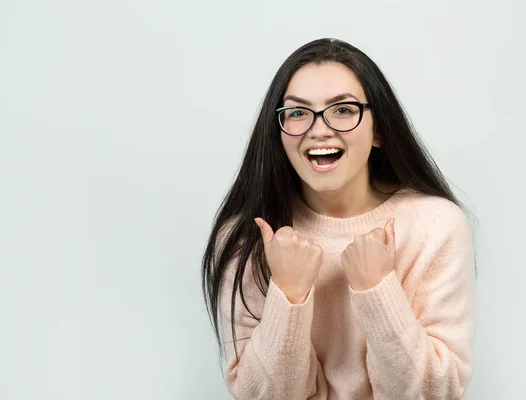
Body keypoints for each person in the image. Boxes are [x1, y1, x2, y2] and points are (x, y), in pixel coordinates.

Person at [201, 38, 476, 400]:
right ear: (278, 132)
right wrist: (289, 293)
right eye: (297, 113)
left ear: (379, 130)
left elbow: (435, 392)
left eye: (343, 110)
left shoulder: (435, 225)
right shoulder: (245, 237)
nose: (319, 129)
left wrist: (377, 289)